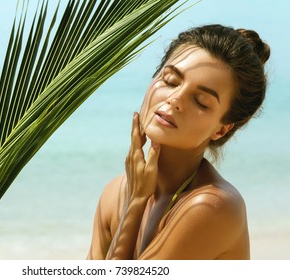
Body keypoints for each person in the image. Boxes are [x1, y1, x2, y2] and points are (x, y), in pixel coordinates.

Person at [87, 24, 270, 260]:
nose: (175, 100)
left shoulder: (212, 207)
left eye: (201, 102)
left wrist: (137, 201)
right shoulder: (115, 194)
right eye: (171, 80)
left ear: (221, 129)